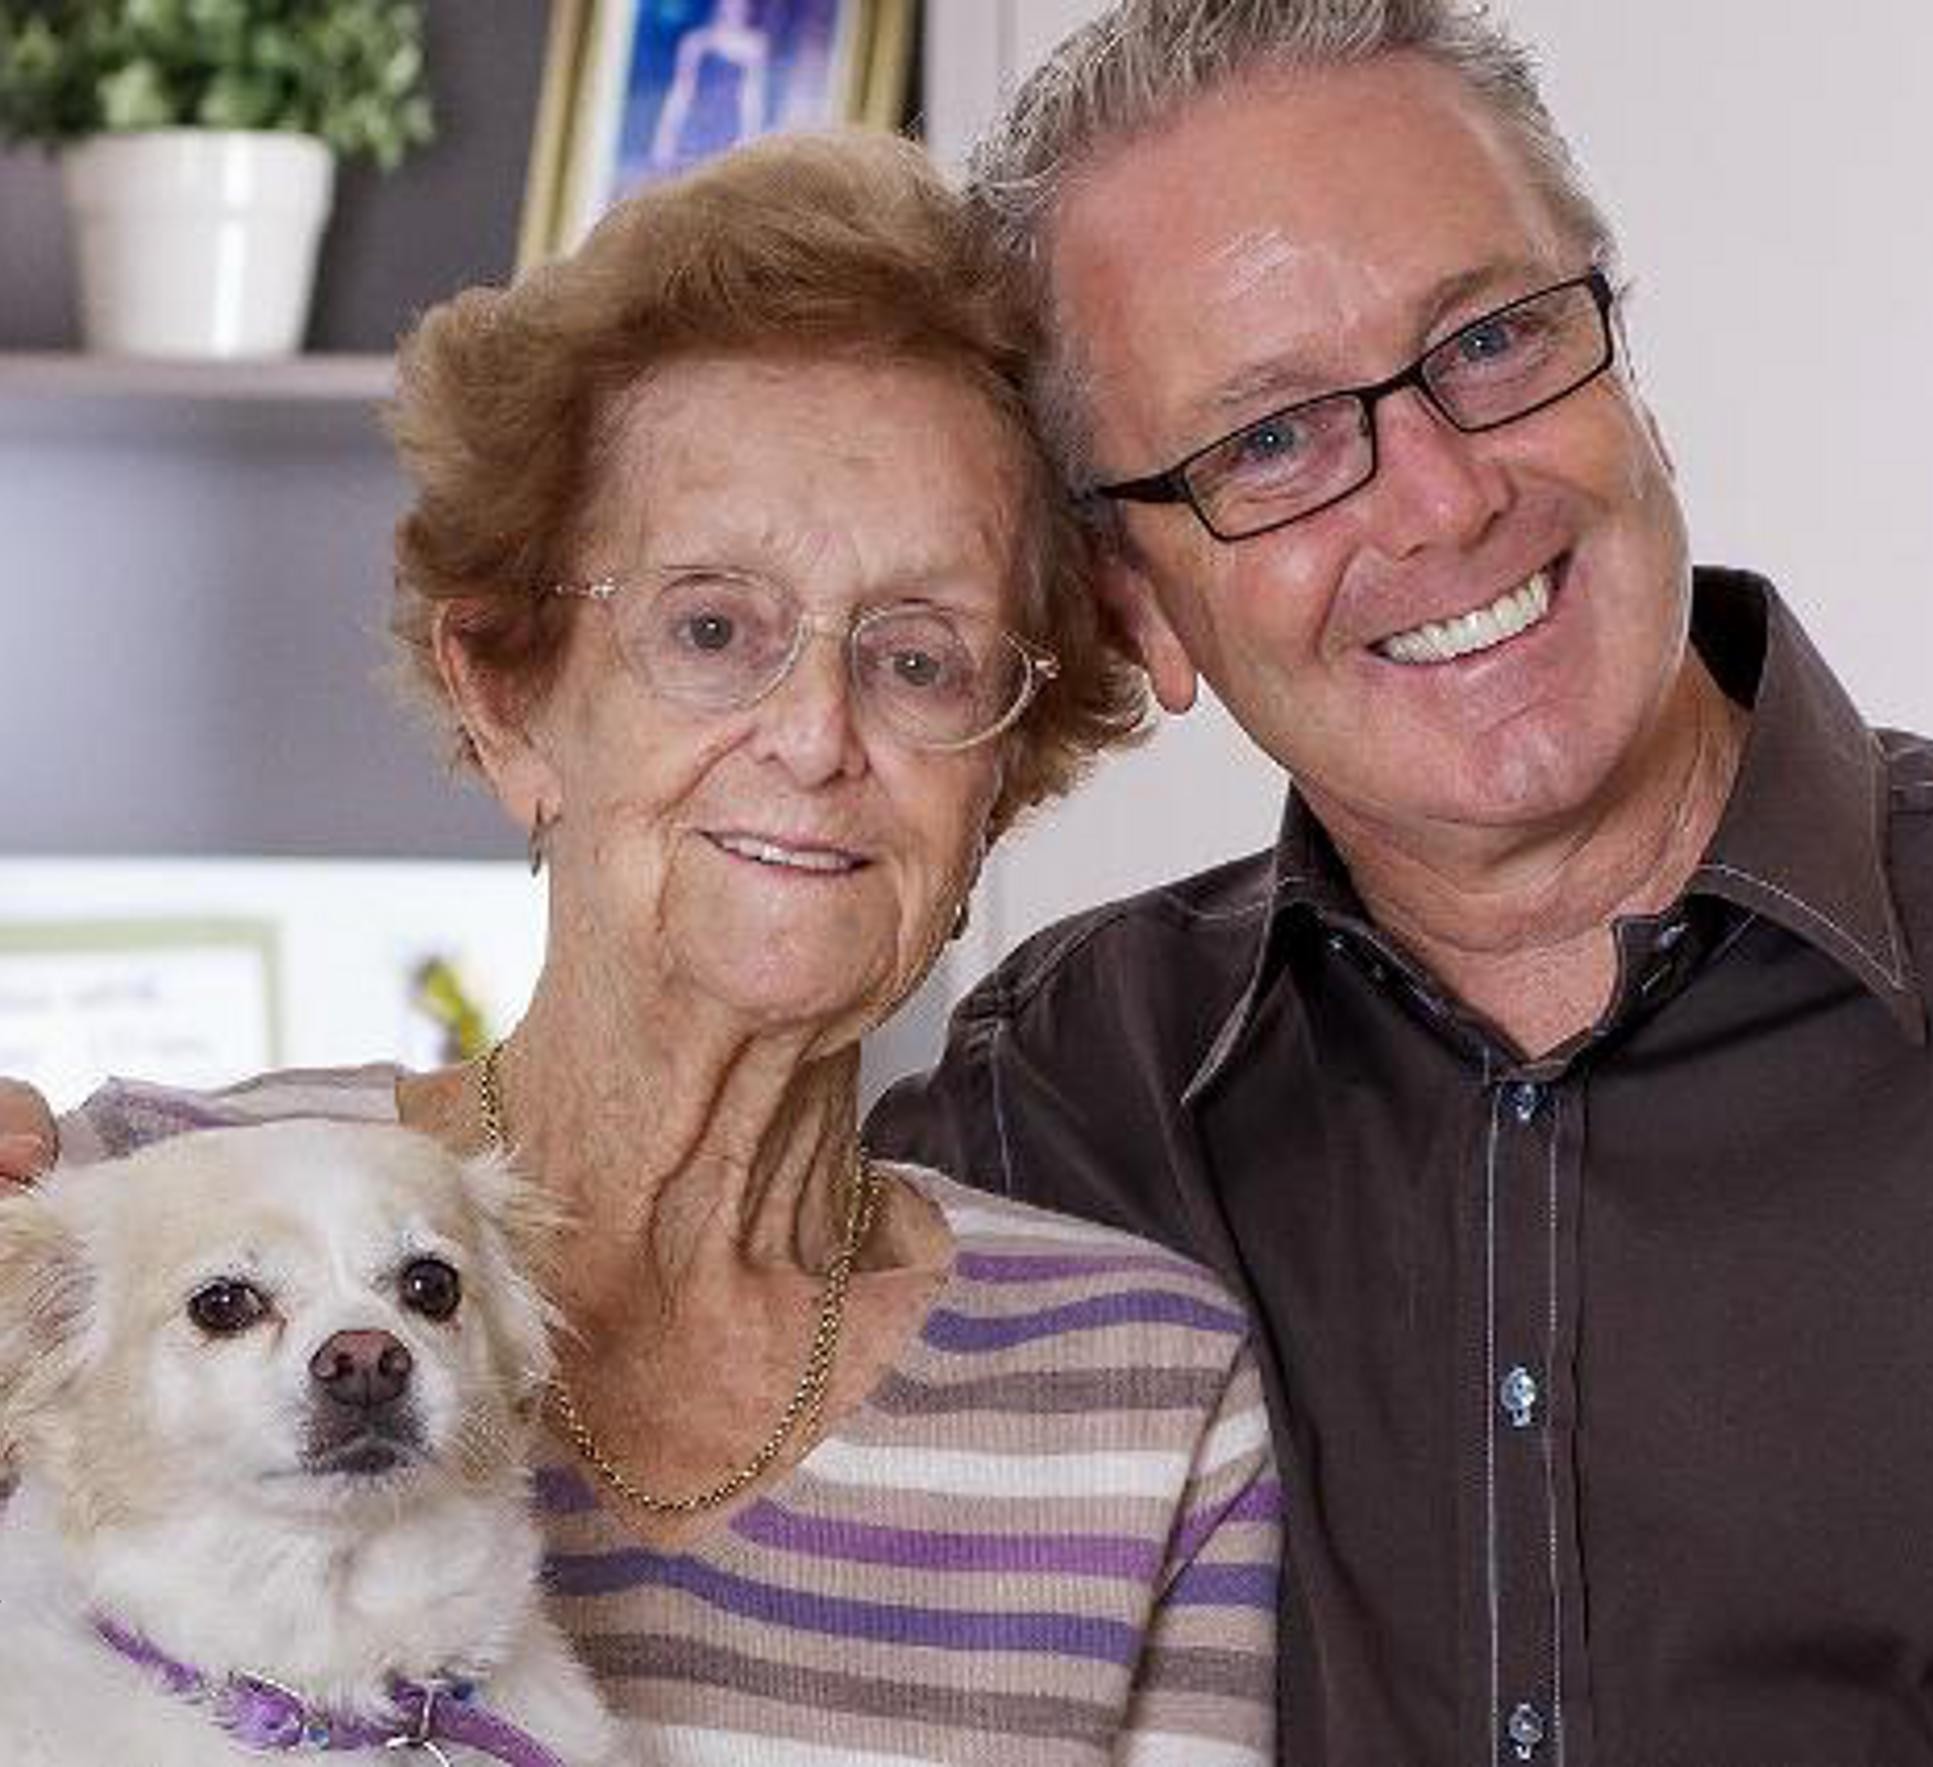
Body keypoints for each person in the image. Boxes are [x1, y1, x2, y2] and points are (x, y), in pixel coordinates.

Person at [0, 131, 1281, 1764]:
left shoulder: (1139, 1397)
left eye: (921, 659)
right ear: (508, 697)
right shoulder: (120, 1223)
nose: (814, 737)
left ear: (1007, 772)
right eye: (710, 630)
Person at [850, 2, 1933, 1763]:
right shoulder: (1056, 1112)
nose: (1445, 499)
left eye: (1491, 338)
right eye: (1273, 442)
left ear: (1628, 369)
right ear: (1138, 605)